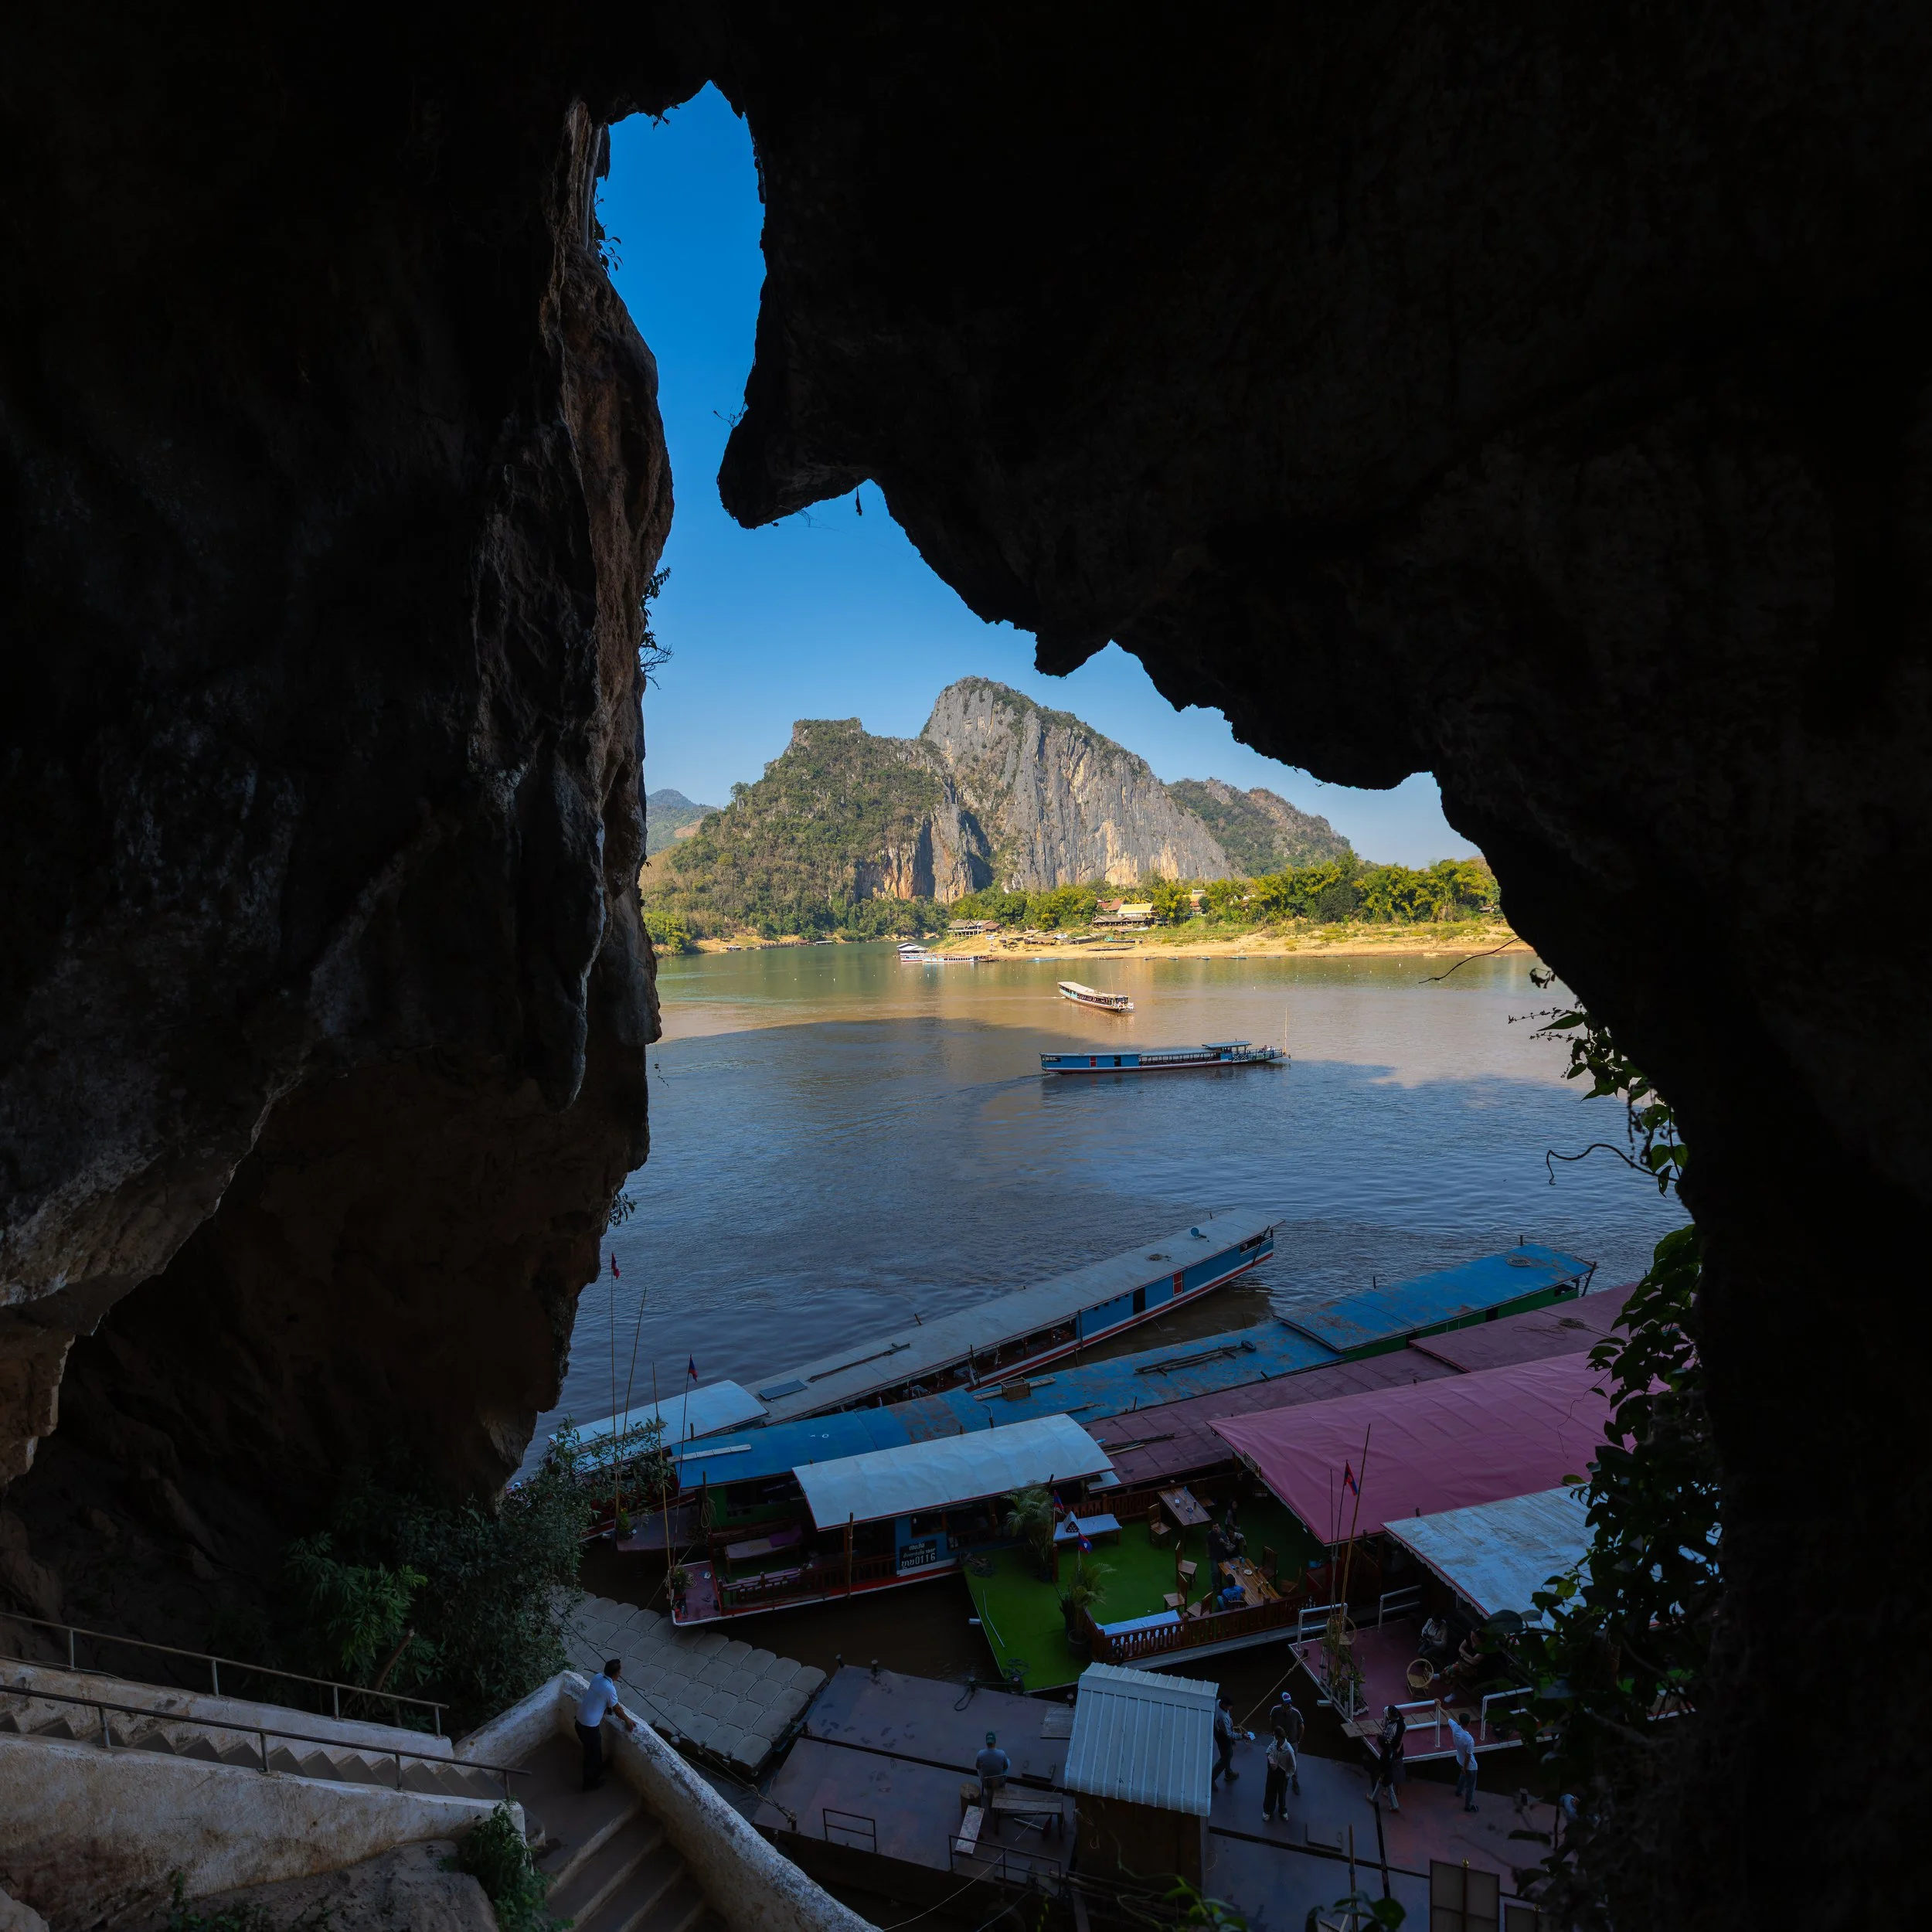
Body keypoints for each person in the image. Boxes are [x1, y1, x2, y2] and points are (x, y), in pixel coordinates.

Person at [575, 1658, 636, 1791]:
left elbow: (600, 1699)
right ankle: (589, 1783)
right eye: (620, 1670)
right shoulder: (610, 1689)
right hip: (589, 1727)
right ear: (616, 1674)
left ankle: (596, 1771)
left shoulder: (598, 1677)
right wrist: (627, 1720)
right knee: (592, 1756)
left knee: (591, 1751)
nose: (621, 1672)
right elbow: (617, 1709)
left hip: (579, 1721)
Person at [1366, 1703, 1406, 1811]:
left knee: (1386, 1781)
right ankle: (1376, 1798)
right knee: (1387, 1779)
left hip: (1389, 1758)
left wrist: (1380, 1737)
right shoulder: (1402, 1724)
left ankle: (1394, 1805)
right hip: (1397, 1752)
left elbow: (1386, 1742)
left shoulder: (1386, 1752)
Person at [1261, 1721, 1297, 1823]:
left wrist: (1287, 1775)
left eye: (1275, 1736)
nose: (1274, 1737)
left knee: (1282, 1793)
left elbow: (1293, 1766)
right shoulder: (1275, 1742)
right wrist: (1272, 1761)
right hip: (1273, 1770)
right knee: (1270, 1791)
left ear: (1280, 1737)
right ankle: (1268, 1810)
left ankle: (1282, 1811)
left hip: (1282, 1773)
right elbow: (1269, 1751)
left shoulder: (1289, 1750)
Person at [1447, 1709, 1479, 1812]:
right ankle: (1468, 1806)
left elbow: (1446, 1715)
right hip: (1470, 1766)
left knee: (1463, 1776)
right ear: (1469, 1723)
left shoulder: (1455, 1728)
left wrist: (1439, 1706)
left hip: (1459, 1760)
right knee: (1471, 1786)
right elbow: (1468, 1756)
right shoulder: (1469, 1740)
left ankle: (1458, 1791)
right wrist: (1466, 1768)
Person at [1274, 1693, 1304, 1793]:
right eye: (1287, 1704)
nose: (1290, 1705)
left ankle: (1295, 1781)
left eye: (1290, 1703)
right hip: (1281, 1740)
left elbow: (1302, 1727)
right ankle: (1279, 1778)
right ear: (1282, 1704)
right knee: (1279, 1758)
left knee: (1293, 1762)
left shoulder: (1296, 1712)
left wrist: (1298, 1740)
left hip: (1292, 1742)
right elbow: (1271, 1719)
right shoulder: (1276, 1710)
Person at [975, 1730, 1011, 1808]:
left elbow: (977, 1767)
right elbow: (1006, 1767)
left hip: (987, 1782)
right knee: (1008, 1761)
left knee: (980, 1769)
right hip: (1000, 1781)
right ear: (995, 1742)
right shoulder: (1002, 1753)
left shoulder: (980, 1754)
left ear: (986, 1743)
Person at [1212, 1696, 1240, 1784]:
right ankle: (1211, 1780)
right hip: (1222, 1736)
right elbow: (1229, 1734)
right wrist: (1242, 1736)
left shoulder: (1218, 1702)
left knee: (1227, 1754)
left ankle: (1228, 1773)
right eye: (1229, 1707)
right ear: (1224, 1705)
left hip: (1217, 1731)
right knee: (1225, 1758)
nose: (1230, 1708)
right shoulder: (1223, 1717)